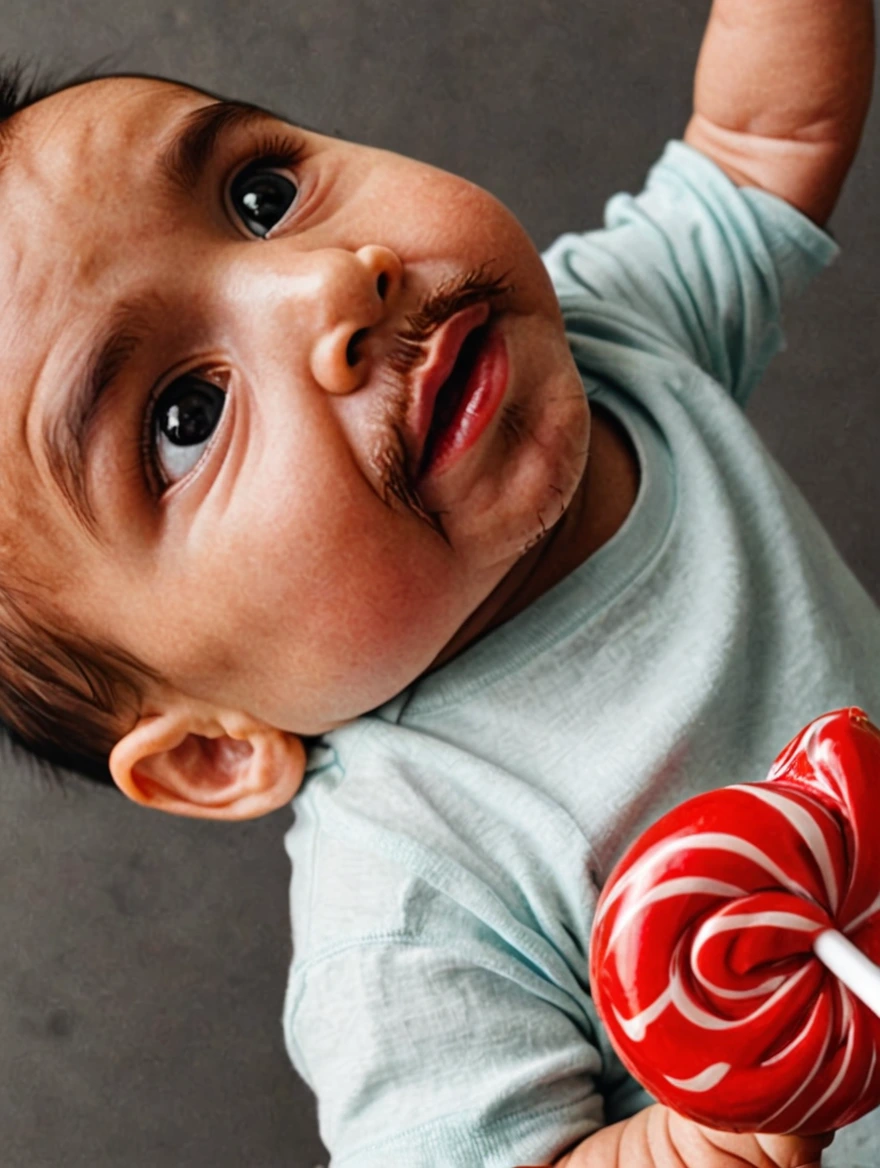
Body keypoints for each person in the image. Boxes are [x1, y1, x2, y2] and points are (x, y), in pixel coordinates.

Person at [0, 0, 875, 1163]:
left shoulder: (614, 338)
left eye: (262, 196)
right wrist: (703, 1143)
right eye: (184, 416)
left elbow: (761, 141)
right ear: (212, 749)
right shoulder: (408, 891)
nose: (325, 290)